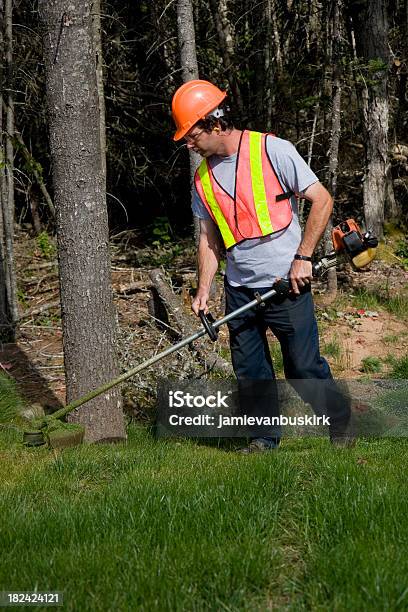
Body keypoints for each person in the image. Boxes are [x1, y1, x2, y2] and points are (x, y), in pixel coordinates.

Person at [171, 79, 352, 452]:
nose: (188, 144)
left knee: (302, 370)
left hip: (287, 282)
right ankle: (264, 439)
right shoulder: (202, 179)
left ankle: (340, 421)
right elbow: (208, 239)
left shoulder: (272, 149)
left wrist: (302, 258)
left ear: (215, 123)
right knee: (251, 371)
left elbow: (322, 200)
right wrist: (205, 287)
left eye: (191, 135)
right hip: (239, 289)